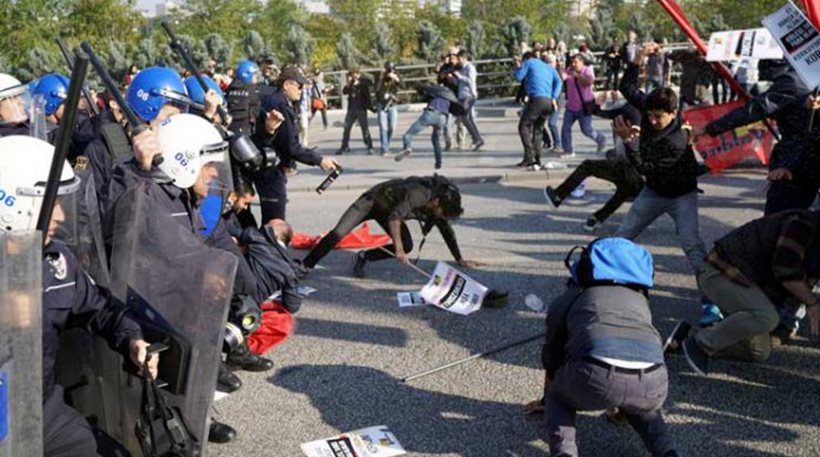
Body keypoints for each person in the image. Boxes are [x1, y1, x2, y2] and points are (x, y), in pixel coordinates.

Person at [0, 135, 157, 457]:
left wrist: (132, 339)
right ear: (10, 204)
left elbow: (101, 308)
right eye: (49, 202)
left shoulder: (55, 263)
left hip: (41, 412)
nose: (59, 215)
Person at [523, 239, 680, 457]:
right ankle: (668, 453)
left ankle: (564, 453)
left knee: (557, 396)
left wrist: (546, 399)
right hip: (654, 378)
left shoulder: (574, 296)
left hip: (596, 377)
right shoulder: (639, 298)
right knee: (645, 408)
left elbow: (552, 355)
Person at [666, 209, 820, 376]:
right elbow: (784, 269)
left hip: (747, 283)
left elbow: (801, 284)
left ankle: (687, 336)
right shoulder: (801, 224)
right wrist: (812, 303)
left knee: (759, 352)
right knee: (766, 317)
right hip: (721, 272)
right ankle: (701, 343)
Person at [613, 42, 707, 278]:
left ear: (673, 114)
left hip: (681, 195)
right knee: (622, 236)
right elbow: (627, 86)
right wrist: (639, 56)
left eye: (659, 117)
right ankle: (605, 277)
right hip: (654, 192)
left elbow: (645, 167)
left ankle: (712, 297)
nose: (652, 121)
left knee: (691, 244)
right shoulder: (651, 107)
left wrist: (628, 141)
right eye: (649, 115)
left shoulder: (678, 139)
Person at [692, 60, 815, 216]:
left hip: (798, 155)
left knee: (778, 217)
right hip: (805, 151)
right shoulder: (808, 77)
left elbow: (754, 110)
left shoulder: (791, 81)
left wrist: (709, 128)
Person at [301, 175, 482, 276]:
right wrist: (399, 250)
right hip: (371, 202)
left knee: (408, 244)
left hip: (389, 212)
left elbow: (446, 231)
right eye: (444, 213)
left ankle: (363, 257)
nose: (444, 218)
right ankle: (305, 265)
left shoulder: (438, 205)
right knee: (338, 233)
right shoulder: (419, 194)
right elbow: (395, 217)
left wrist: (460, 259)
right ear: (436, 202)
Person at [251, 66, 340, 222]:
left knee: (272, 220)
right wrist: (319, 160)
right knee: (275, 223)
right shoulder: (278, 104)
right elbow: (290, 146)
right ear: (286, 85)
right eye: (299, 86)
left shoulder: (279, 100)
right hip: (270, 169)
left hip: (270, 166)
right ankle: (269, 246)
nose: (302, 90)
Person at [544, 104, 644, 232]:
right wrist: (593, 107)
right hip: (639, 180)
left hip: (630, 170)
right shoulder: (635, 115)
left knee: (587, 166)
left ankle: (558, 196)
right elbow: (607, 114)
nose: (614, 127)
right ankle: (596, 219)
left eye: (616, 123)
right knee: (622, 191)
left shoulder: (632, 121)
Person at [513, 50, 563, 171]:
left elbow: (518, 76)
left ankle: (529, 157)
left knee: (523, 126)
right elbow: (559, 81)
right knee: (538, 128)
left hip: (536, 99)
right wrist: (554, 96)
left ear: (525, 59)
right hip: (548, 102)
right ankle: (537, 158)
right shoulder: (548, 67)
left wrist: (517, 66)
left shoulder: (529, 62)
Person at [394, 84, 457, 169]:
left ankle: (407, 148)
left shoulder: (435, 93)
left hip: (431, 114)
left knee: (408, 135)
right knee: (436, 140)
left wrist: (419, 88)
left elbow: (423, 90)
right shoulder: (450, 97)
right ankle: (438, 163)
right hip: (442, 118)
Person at [562, 54, 607, 157]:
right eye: (572, 62)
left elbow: (589, 82)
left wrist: (578, 76)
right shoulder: (569, 70)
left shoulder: (587, 70)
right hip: (570, 106)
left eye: (576, 62)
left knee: (586, 130)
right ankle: (568, 150)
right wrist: (560, 69)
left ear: (582, 62)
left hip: (584, 106)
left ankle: (600, 139)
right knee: (565, 128)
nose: (573, 64)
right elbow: (563, 77)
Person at [448, 50, 484, 151]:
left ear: (464, 58)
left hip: (469, 95)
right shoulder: (462, 68)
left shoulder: (470, 68)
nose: (458, 61)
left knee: (463, 117)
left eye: (459, 59)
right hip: (462, 95)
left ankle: (476, 138)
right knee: (467, 118)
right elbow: (461, 83)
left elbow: (470, 81)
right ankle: (477, 139)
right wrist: (453, 80)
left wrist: (459, 76)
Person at [337, 68, 374, 155]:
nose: (353, 76)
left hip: (361, 109)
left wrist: (370, 106)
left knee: (364, 129)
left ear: (358, 74)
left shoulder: (364, 82)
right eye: (351, 75)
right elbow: (344, 92)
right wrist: (349, 83)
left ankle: (369, 146)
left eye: (354, 74)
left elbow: (371, 83)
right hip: (351, 110)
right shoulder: (351, 84)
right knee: (347, 128)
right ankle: (344, 146)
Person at [226, 59, 262, 136]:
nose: (256, 78)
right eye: (255, 76)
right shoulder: (253, 90)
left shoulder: (229, 88)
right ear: (247, 74)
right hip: (245, 132)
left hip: (229, 128)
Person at [375, 61, 401, 156]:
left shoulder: (396, 75)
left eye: (392, 69)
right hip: (381, 104)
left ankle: (387, 144)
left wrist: (396, 79)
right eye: (389, 69)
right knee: (383, 127)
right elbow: (377, 89)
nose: (390, 71)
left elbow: (402, 85)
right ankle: (384, 149)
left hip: (392, 104)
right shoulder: (380, 76)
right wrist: (381, 78)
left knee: (392, 127)